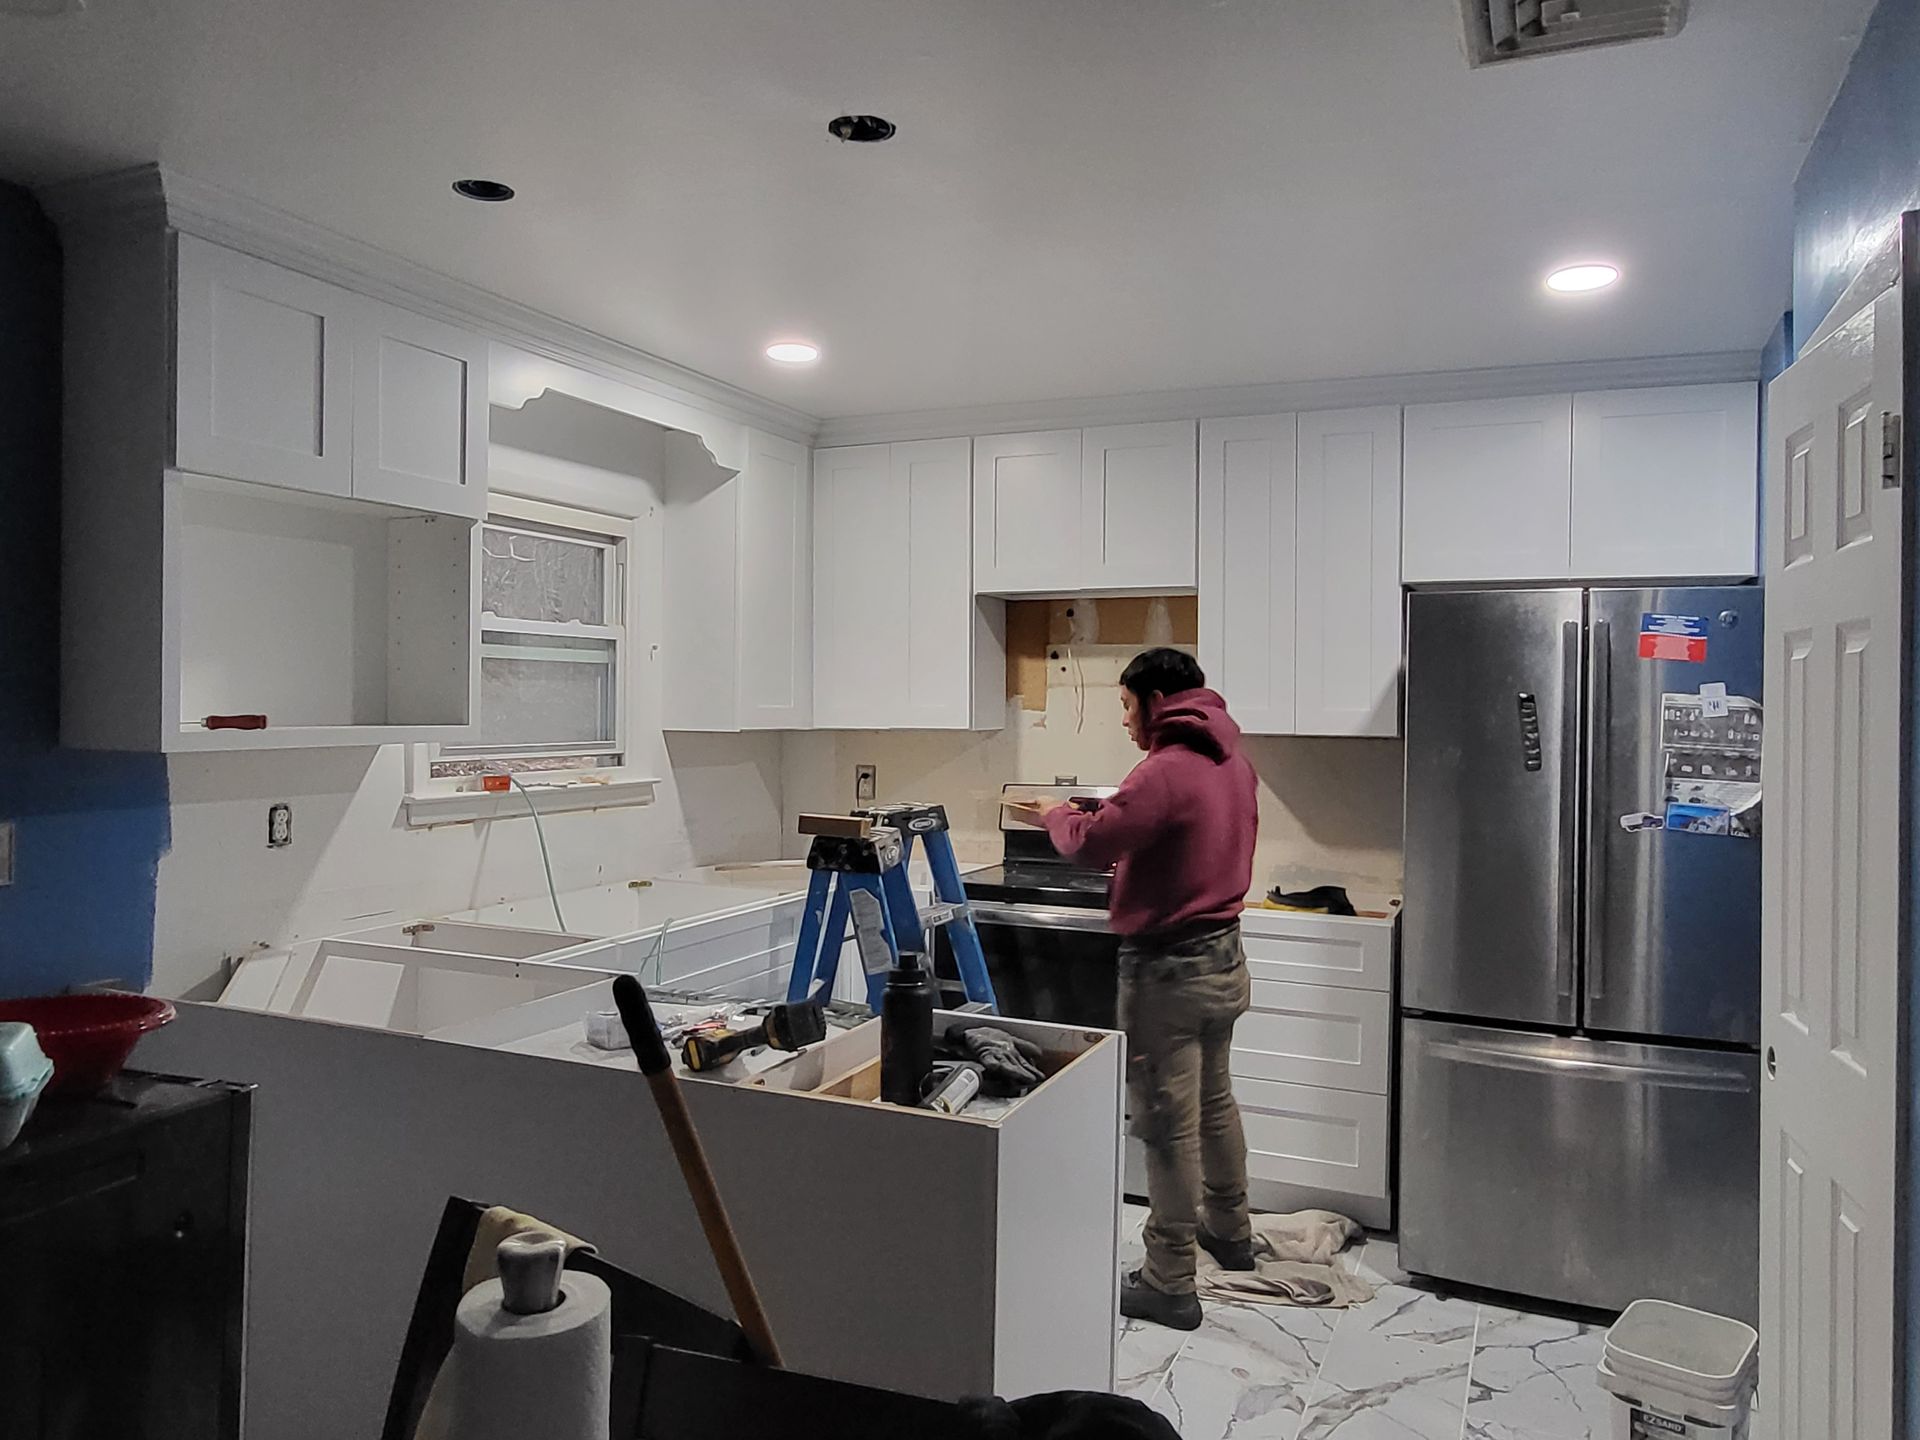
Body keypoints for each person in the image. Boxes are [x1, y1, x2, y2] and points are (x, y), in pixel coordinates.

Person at [1009, 648, 1258, 1331]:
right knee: (1214, 1102)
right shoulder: (1232, 760)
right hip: (1224, 957)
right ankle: (1231, 1231)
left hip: (1166, 972)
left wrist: (1059, 813)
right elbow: (1156, 826)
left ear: (1155, 699)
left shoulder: (1164, 769)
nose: (1123, 720)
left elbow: (1093, 846)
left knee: (1163, 1127)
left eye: (1124, 704)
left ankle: (1168, 1281)